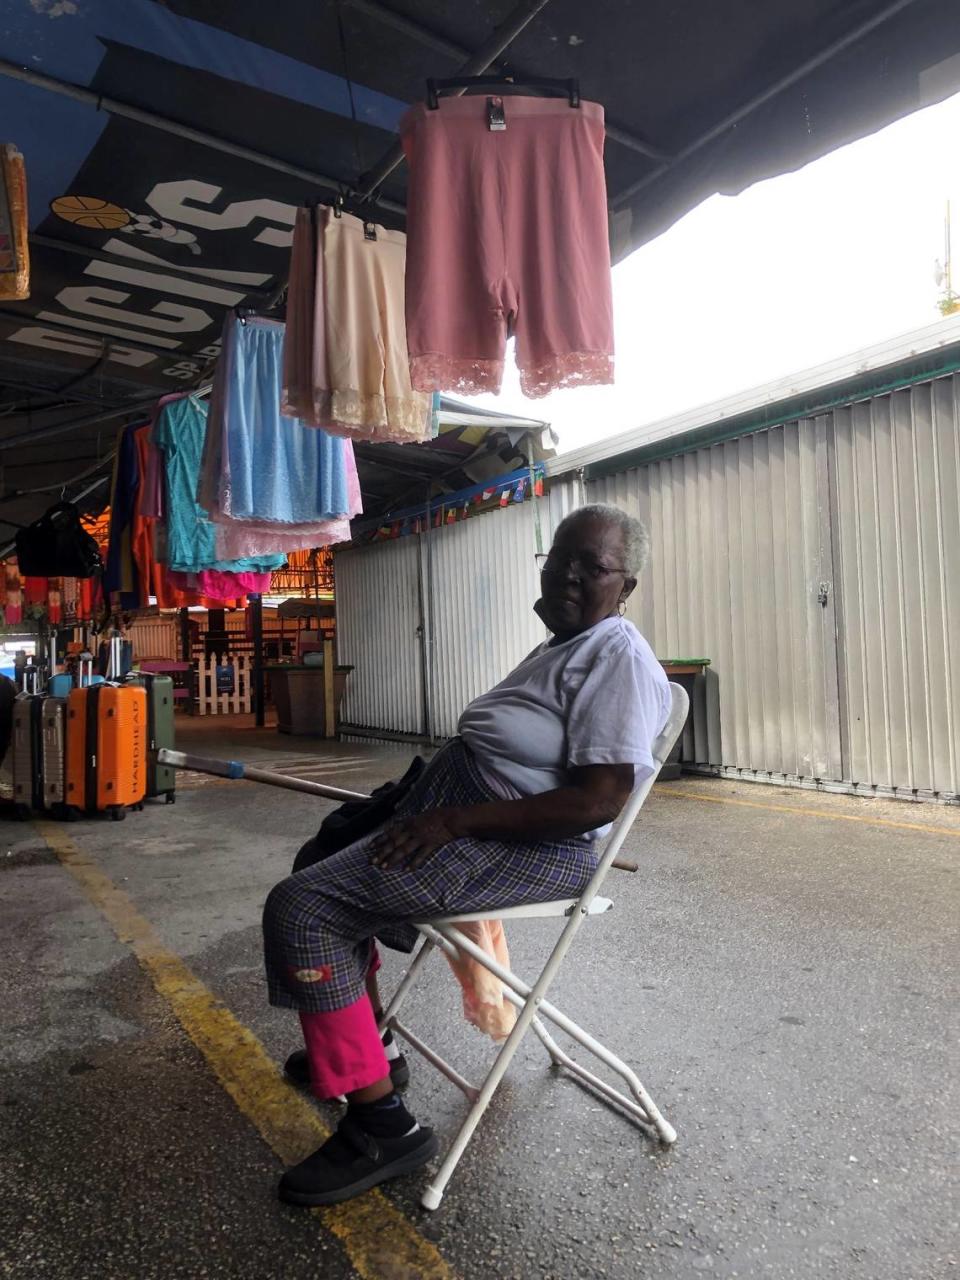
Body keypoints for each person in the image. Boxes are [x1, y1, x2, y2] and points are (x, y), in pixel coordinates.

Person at [262, 503, 671, 1206]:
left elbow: (597, 801)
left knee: (303, 910)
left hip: (524, 843)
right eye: (560, 559)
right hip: (465, 816)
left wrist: (453, 820)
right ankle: (372, 1054)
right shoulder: (563, 646)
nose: (571, 576)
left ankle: (380, 1126)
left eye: (594, 567)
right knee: (317, 862)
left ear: (625, 586)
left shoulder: (617, 655)